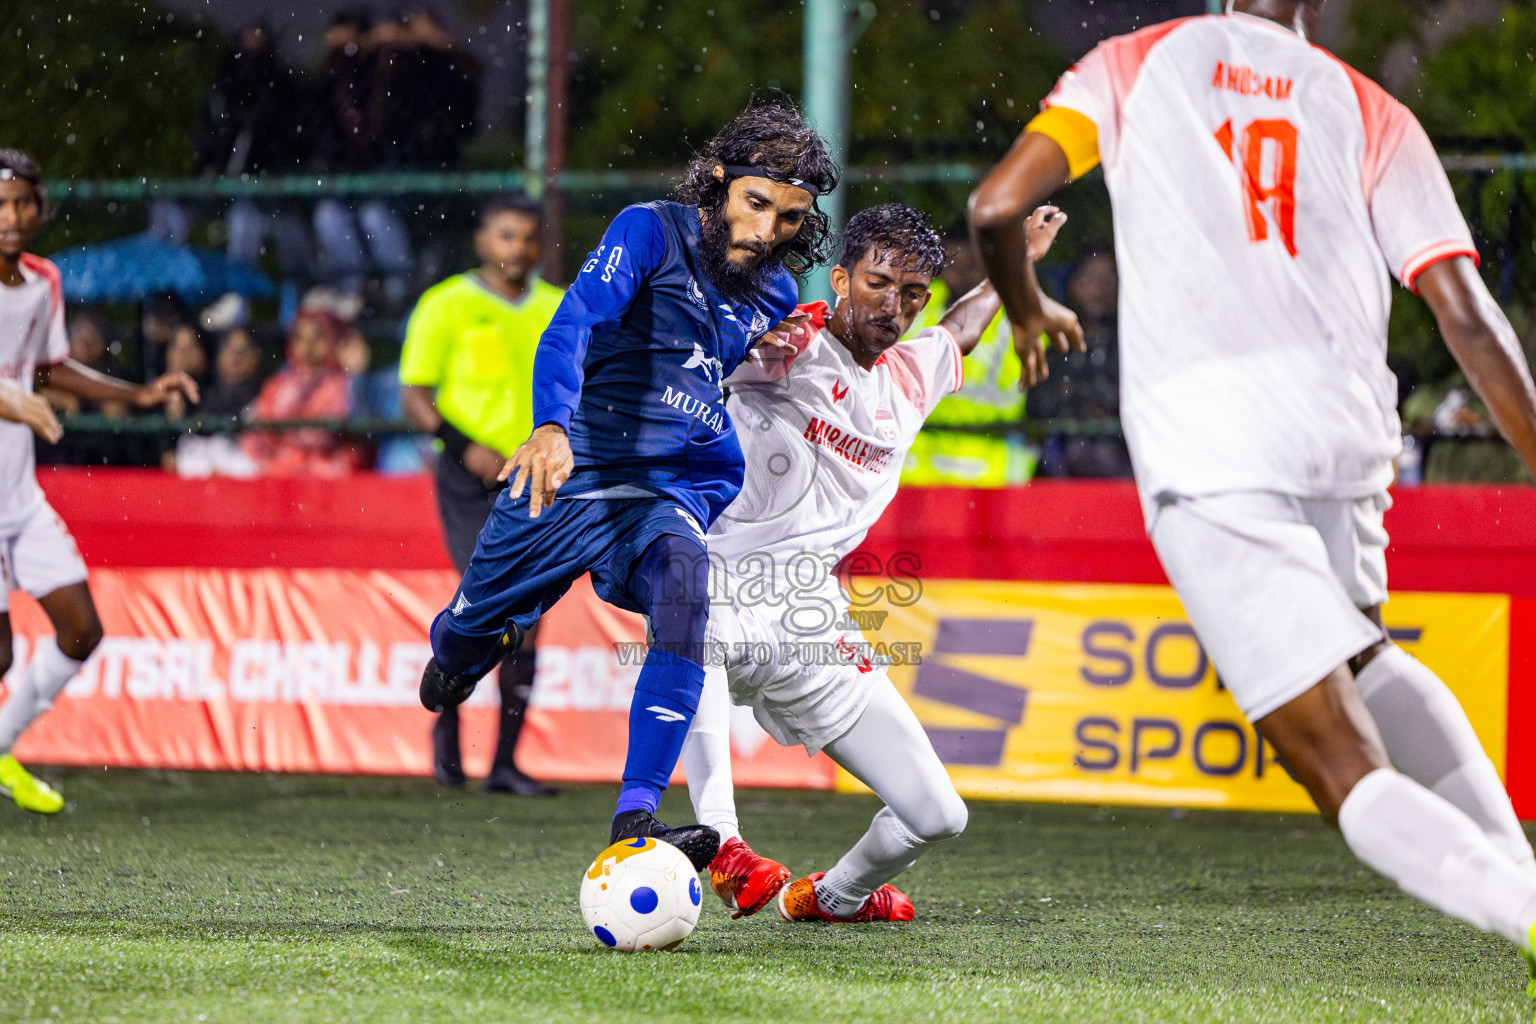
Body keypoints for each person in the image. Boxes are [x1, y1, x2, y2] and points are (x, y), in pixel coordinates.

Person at [968, 0, 1536, 987]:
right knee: (1364, 660)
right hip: (1346, 431)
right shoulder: (1371, 107)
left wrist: (1028, 306)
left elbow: (992, 208)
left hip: (1213, 441)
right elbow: (1466, 317)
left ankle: (1523, 905)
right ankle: (1520, 877)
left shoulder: (1133, 63)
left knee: (1337, 765)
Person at [417, 101, 838, 871]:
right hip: (573, 471)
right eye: (754, 203)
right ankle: (478, 639)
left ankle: (635, 818)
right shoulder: (649, 230)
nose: (766, 230)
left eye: (788, 217)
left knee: (686, 590)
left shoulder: (774, 295)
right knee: (451, 660)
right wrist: (549, 426)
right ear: (716, 183)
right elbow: (573, 321)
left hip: (667, 491)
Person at [679, 203, 1065, 922]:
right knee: (686, 606)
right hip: (718, 572)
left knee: (938, 813)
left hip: (808, 614)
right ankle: (724, 848)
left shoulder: (909, 378)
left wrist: (1022, 260)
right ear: (841, 278)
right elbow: (701, 347)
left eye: (913, 293)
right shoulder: (788, 343)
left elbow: (965, 327)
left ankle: (833, 898)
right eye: (880, 283)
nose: (895, 306)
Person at [0, 150, 197, 813]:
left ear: (41, 207)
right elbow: (21, 389)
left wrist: (139, 394)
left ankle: (1, 748)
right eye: (1, 204)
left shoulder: (43, 281)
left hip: (19, 496)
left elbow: (49, 369)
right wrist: (14, 400)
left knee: (82, 629)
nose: (12, 216)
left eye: (23, 202)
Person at [399, 194, 564, 795]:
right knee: (478, 604)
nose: (516, 249)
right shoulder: (445, 305)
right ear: (481, 241)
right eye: (504, 236)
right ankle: (447, 749)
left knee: (533, 619)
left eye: (526, 237)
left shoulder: (558, 307)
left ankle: (504, 765)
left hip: (540, 479)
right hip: (470, 478)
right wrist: (463, 446)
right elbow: (415, 396)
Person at [899, 238, 1033, 487]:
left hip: (988, 465)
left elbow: (1024, 400)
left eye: (970, 264)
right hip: (914, 464)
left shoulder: (1015, 320)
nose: (959, 272)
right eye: (952, 263)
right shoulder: (910, 305)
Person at [1029, 248, 1133, 478]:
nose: (1099, 288)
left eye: (1108, 279)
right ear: (1073, 285)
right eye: (1090, 278)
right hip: (1061, 455)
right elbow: (1039, 403)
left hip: (1118, 458)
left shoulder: (1132, 341)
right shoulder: (1057, 342)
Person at [240, 310, 357, 477]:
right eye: (300, 337)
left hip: (328, 472)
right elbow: (259, 433)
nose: (308, 345)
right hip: (280, 470)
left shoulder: (345, 382)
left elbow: (331, 434)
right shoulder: (278, 384)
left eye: (317, 337)